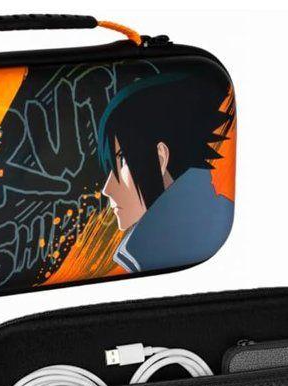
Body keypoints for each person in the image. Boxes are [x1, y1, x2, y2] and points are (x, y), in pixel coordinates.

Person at [97, 71, 234, 273]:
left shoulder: (147, 250)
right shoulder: (212, 221)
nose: (107, 189)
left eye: (123, 160)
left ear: (161, 158)